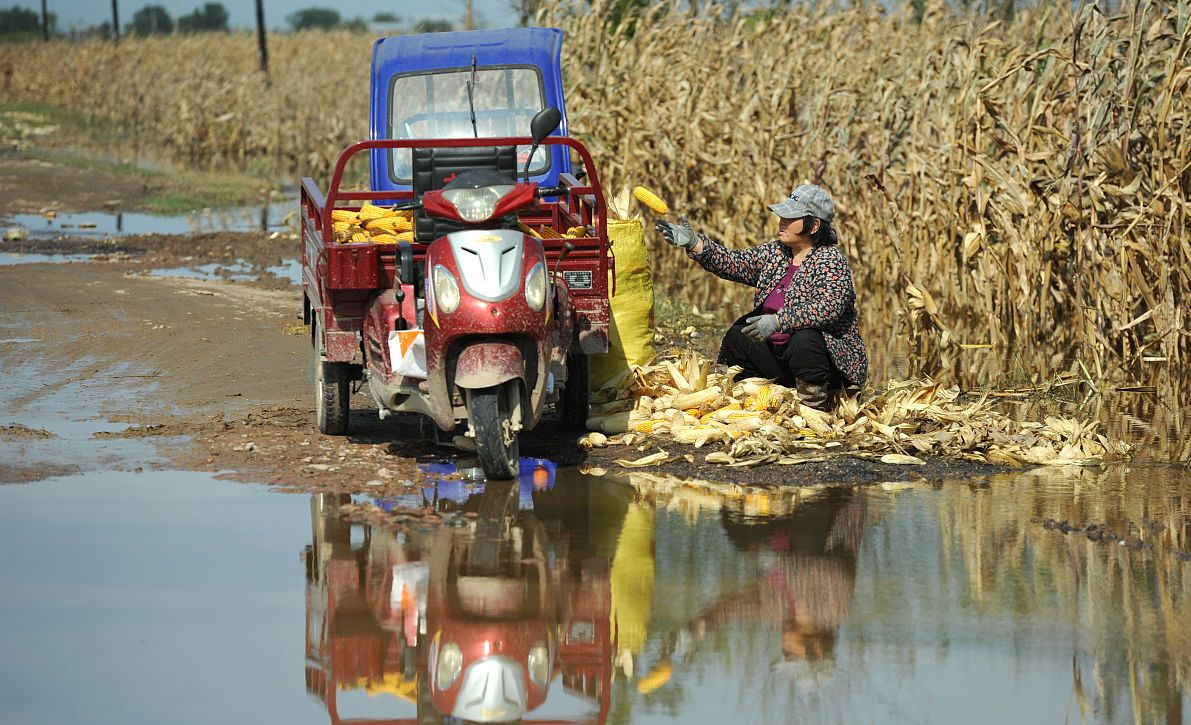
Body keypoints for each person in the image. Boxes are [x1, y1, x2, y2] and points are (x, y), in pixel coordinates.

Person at [656, 184, 867, 410]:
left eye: (790, 217)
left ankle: (815, 406)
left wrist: (778, 321)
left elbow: (827, 309)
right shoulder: (776, 252)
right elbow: (735, 263)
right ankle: (748, 398)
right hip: (781, 357)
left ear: (814, 225)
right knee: (738, 337)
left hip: (825, 366)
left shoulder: (831, 260)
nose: (782, 221)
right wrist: (696, 244)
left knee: (805, 340)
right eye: (781, 216)